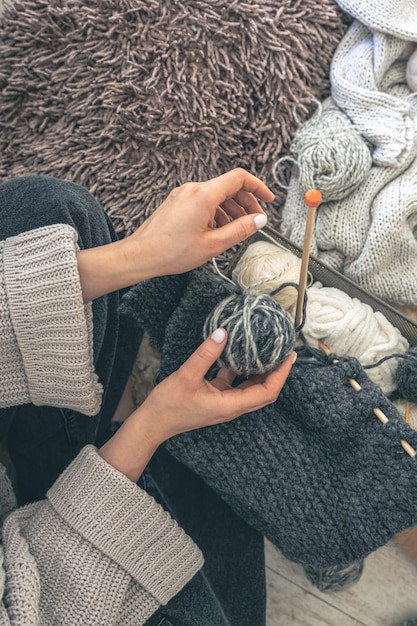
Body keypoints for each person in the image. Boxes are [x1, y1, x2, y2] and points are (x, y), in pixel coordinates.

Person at [0, 169, 295, 625]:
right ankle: (113, 434)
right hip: (46, 597)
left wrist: (139, 256)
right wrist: (151, 425)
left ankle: (101, 431)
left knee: (44, 212)